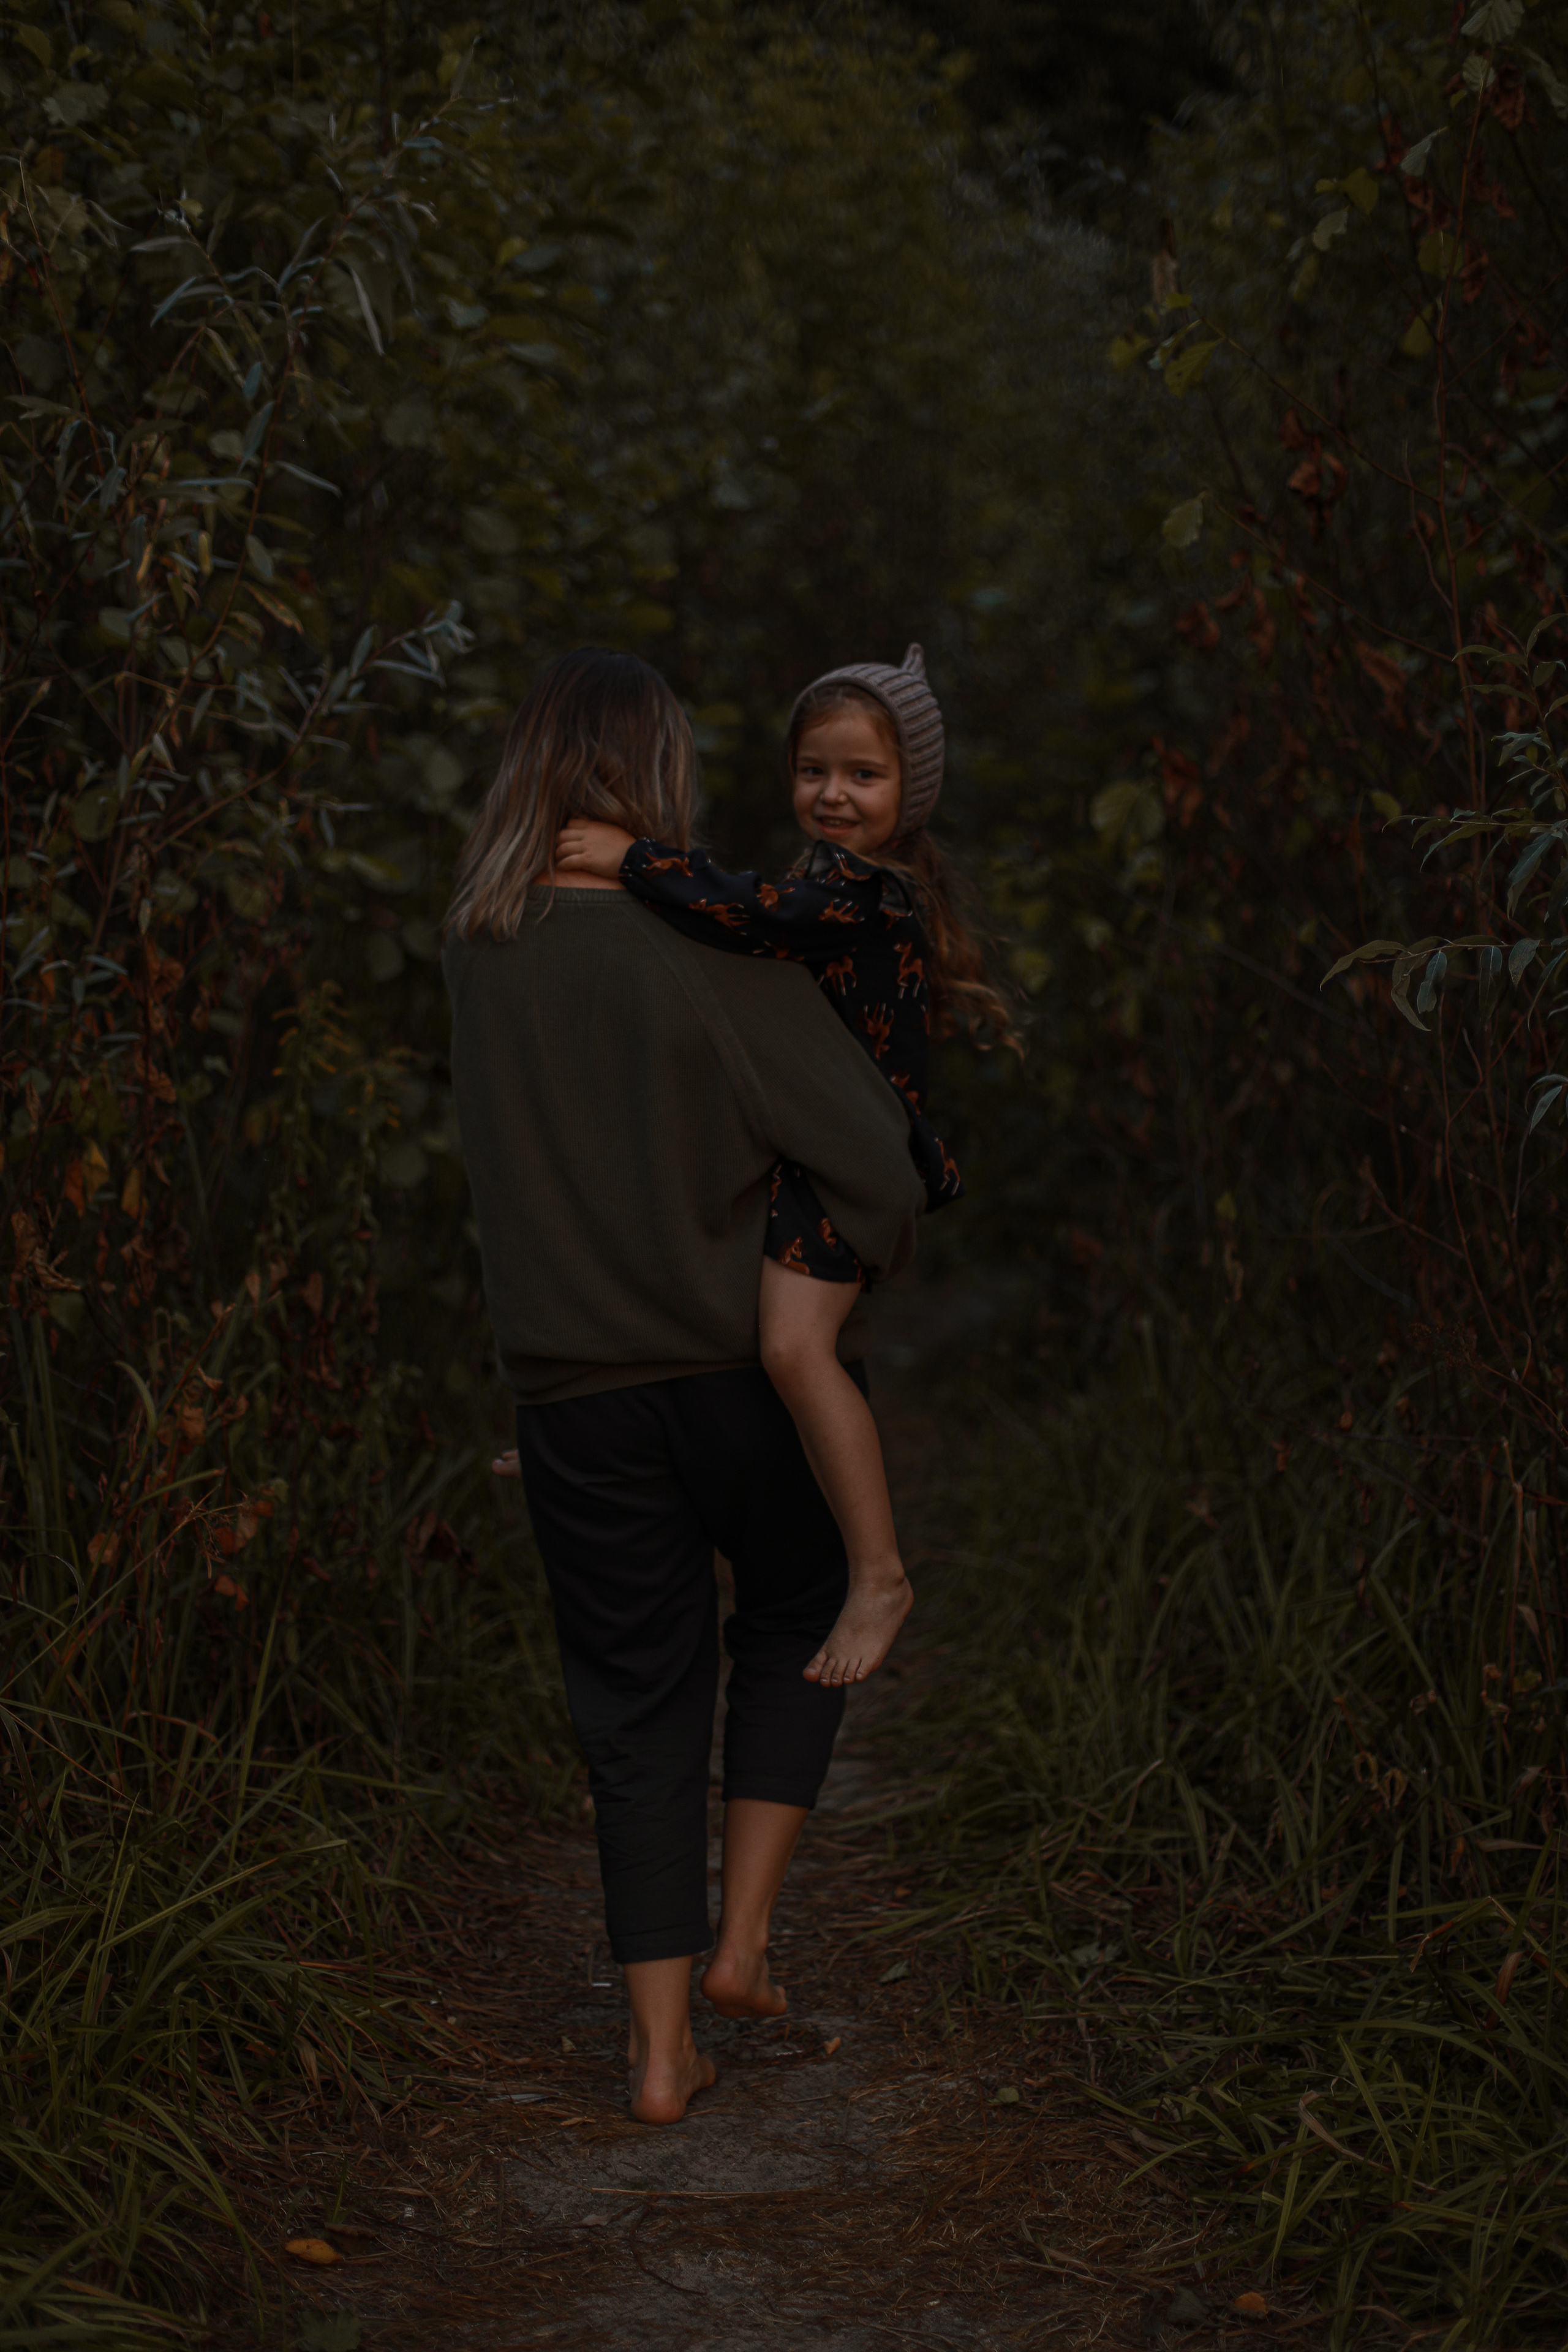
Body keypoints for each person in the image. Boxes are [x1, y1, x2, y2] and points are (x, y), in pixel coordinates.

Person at [442, 648, 924, 2127]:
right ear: (652, 777)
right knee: (792, 1615)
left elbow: (502, 1194)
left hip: (573, 1397)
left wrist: (544, 1372)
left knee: (632, 1705)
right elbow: (877, 1163)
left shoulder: (478, 946)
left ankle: (655, 2057)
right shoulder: (711, 946)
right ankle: (741, 1946)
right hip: (736, 1380)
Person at [554, 645, 1016, 1691]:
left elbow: (757, 918)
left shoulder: (863, 895)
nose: (834, 795)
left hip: (843, 1171)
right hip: (796, 1155)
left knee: (796, 1353)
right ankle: (577, 1437)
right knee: (713, 1304)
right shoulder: (826, 880)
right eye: (815, 771)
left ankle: (881, 1573)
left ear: (912, 792)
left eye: (864, 775)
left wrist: (635, 859)